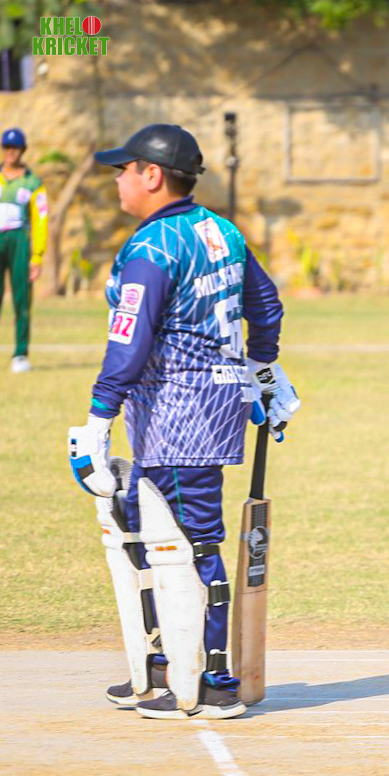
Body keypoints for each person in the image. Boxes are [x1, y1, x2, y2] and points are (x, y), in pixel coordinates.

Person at [67, 124, 300, 718]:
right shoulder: (221, 230)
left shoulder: (152, 248)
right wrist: (261, 368)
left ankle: (212, 679)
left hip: (176, 414)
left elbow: (130, 342)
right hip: (210, 404)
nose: (118, 180)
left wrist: (97, 419)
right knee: (152, 533)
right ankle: (169, 663)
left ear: (152, 175)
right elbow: (265, 304)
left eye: (124, 170)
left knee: (188, 541)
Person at [0, 127, 48, 373]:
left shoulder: (33, 183)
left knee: (21, 298)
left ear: (23, 150)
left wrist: (37, 255)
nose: (11, 152)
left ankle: (20, 354)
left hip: (19, 240)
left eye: (15, 148)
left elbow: (40, 219)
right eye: (7, 147)